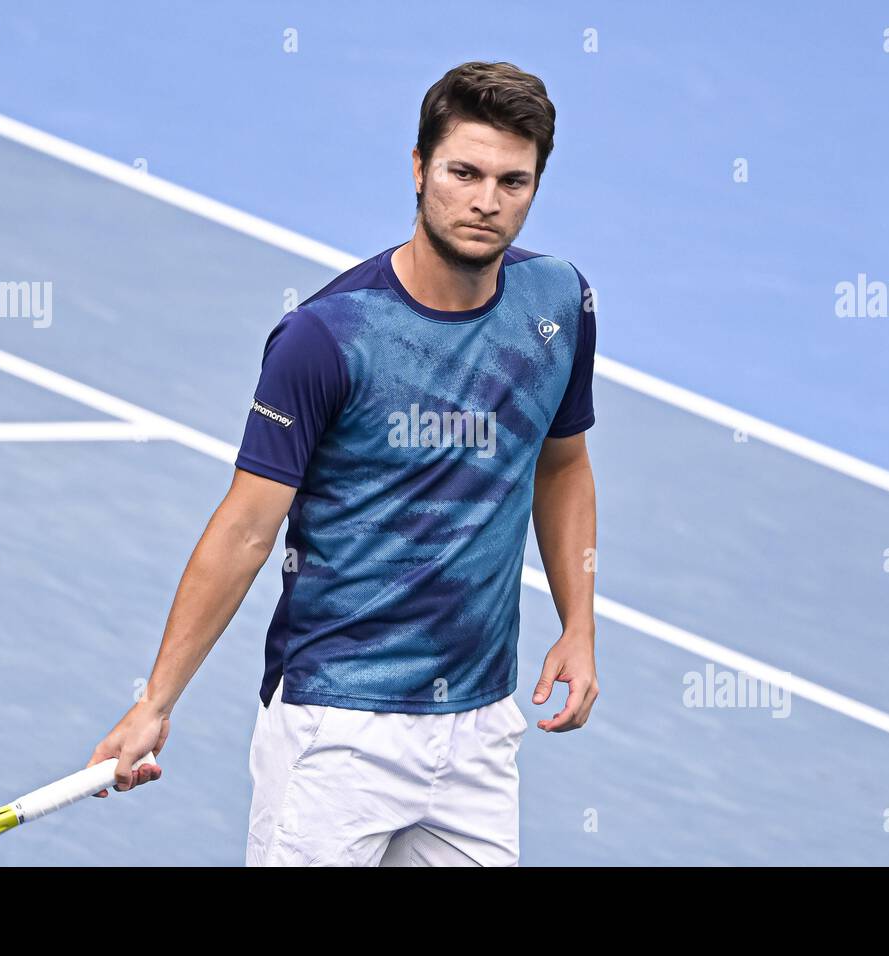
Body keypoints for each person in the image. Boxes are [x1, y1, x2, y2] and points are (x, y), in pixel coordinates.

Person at [88, 60, 599, 866]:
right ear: (419, 167)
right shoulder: (325, 338)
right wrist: (156, 700)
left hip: (479, 728)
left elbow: (562, 463)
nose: (485, 200)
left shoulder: (560, 303)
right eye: (464, 172)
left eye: (513, 180)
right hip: (338, 729)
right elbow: (247, 529)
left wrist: (579, 621)